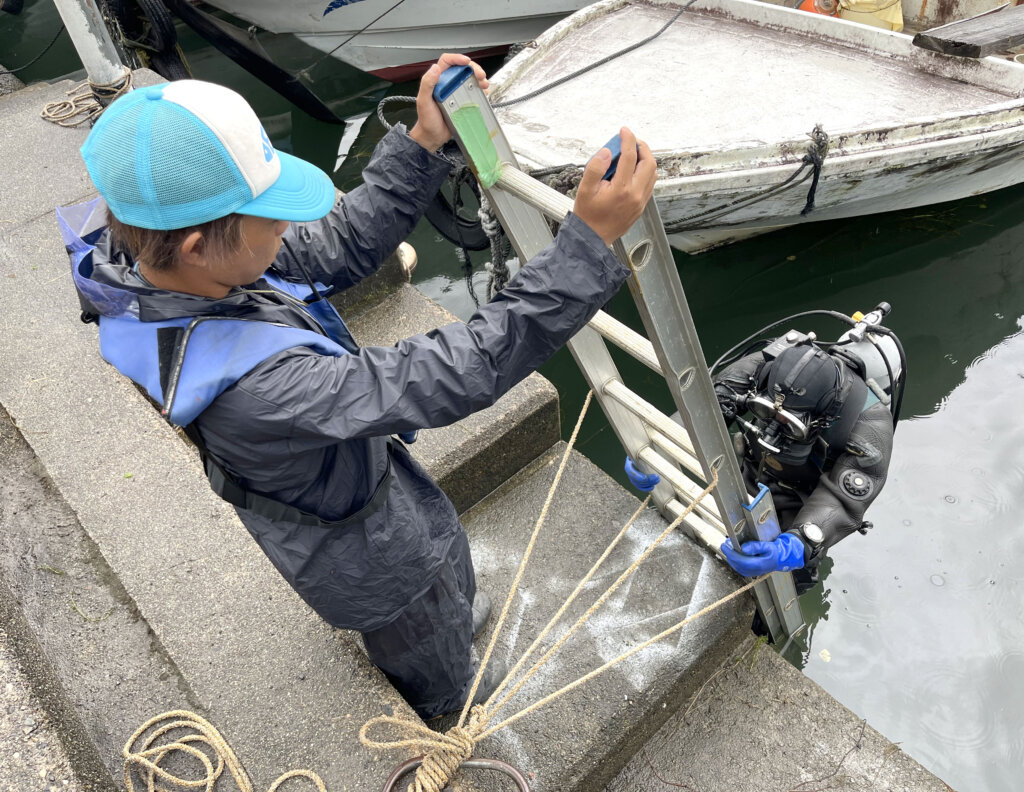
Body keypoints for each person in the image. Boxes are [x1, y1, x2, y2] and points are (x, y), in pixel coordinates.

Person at [62, 54, 657, 719]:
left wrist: (424, 140)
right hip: (366, 555)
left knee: (443, 563)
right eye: (275, 220)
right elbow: (446, 372)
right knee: (421, 622)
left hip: (358, 482)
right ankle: (448, 701)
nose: (289, 229)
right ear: (202, 245)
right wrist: (584, 246)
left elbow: (335, 246)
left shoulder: (154, 253)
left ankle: (450, 615)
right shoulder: (264, 387)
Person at [626, 326, 898, 595]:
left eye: (789, 424)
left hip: (803, 504)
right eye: (766, 412)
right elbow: (708, 406)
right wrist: (660, 445)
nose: (774, 428)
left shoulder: (871, 425)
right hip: (751, 473)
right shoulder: (766, 367)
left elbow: (843, 499)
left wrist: (796, 545)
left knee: (789, 579)